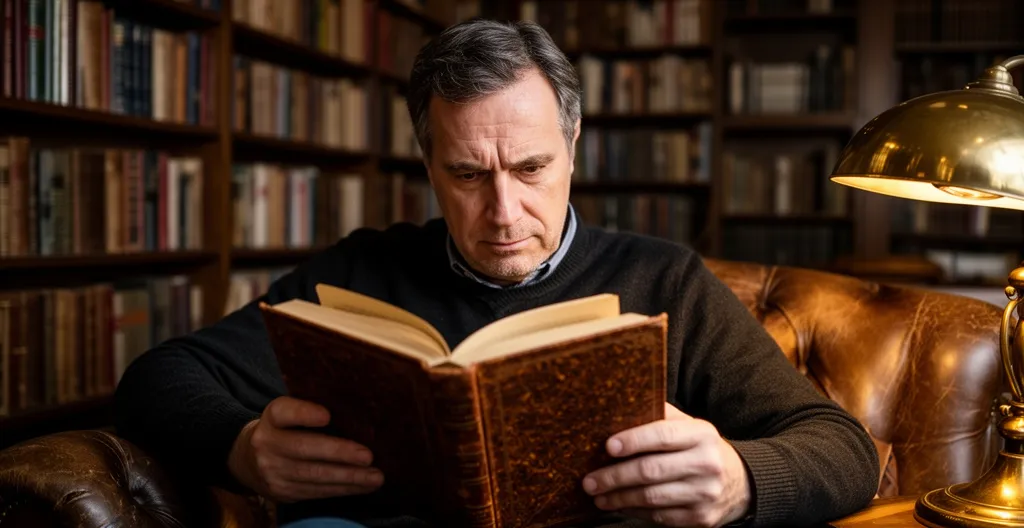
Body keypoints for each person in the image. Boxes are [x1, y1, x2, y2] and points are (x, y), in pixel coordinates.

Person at [113, 17, 879, 528]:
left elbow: (840, 448)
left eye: (533, 167)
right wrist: (242, 446)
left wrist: (741, 479)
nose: (506, 212)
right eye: (468, 175)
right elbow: (158, 377)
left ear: (574, 146)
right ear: (429, 165)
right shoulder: (361, 272)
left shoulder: (666, 280)